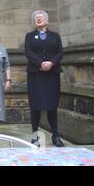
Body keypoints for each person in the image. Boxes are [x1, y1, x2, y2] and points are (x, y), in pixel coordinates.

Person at [25, 10, 64, 147]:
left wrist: (51, 63)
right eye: (36, 18)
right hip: (36, 75)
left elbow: (60, 52)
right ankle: (35, 137)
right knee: (35, 106)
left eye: (41, 18)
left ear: (46, 21)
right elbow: (28, 52)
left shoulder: (55, 36)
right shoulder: (29, 36)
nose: (38, 19)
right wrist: (40, 64)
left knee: (52, 106)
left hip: (52, 75)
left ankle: (55, 136)